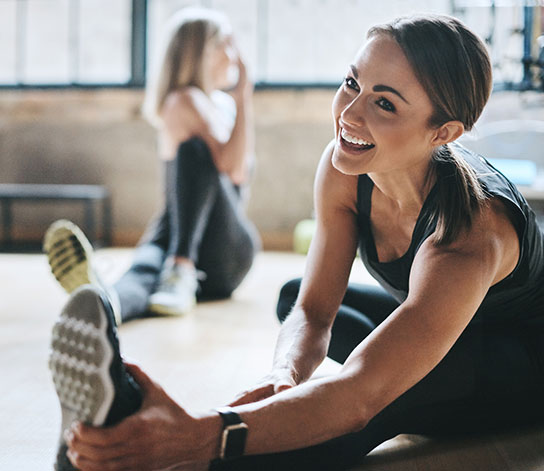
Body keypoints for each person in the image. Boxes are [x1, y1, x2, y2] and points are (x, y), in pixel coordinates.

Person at [55, 14, 544, 471]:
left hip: (523, 362)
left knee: (371, 403)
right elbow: (314, 312)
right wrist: (283, 381)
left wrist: (201, 434)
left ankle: (148, 447)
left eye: (385, 103)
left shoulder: (469, 237)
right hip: (450, 323)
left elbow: (357, 395)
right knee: (295, 301)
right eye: (353, 83)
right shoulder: (345, 169)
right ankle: (139, 435)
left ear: (444, 132)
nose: (349, 114)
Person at [44, 7, 260, 322]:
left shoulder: (223, 105)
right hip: (176, 241)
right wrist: (244, 95)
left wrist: (241, 98)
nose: (234, 54)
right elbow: (234, 165)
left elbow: (236, 173)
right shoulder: (184, 100)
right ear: (203, 52)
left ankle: (180, 268)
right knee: (141, 274)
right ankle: (104, 306)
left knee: (193, 154)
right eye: (226, 43)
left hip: (222, 251)